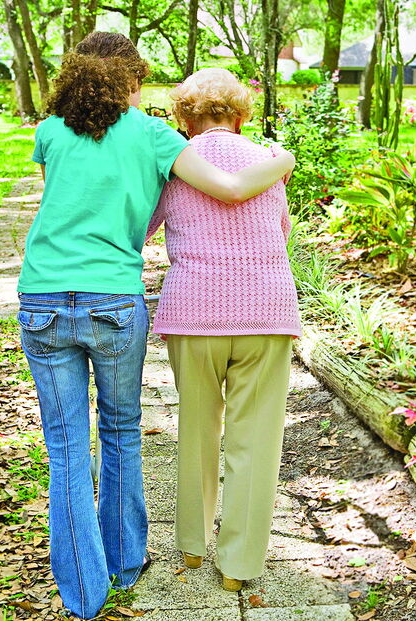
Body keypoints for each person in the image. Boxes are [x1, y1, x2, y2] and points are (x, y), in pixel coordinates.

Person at [17, 34, 295, 620]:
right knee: (141, 432)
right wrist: (285, 160)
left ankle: (103, 586)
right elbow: (254, 209)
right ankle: (184, 563)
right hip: (192, 306)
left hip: (77, 297)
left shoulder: (67, 136)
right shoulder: (175, 144)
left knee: (79, 444)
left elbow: (92, 212)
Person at [145, 68, 302, 592]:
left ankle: (192, 546)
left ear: (184, 119)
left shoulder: (175, 167)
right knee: (255, 442)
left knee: (196, 429)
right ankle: (238, 566)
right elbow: (279, 233)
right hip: (267, 313)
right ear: (240, 115)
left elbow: (142, 229)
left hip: (194, 313)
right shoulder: (270, 162)